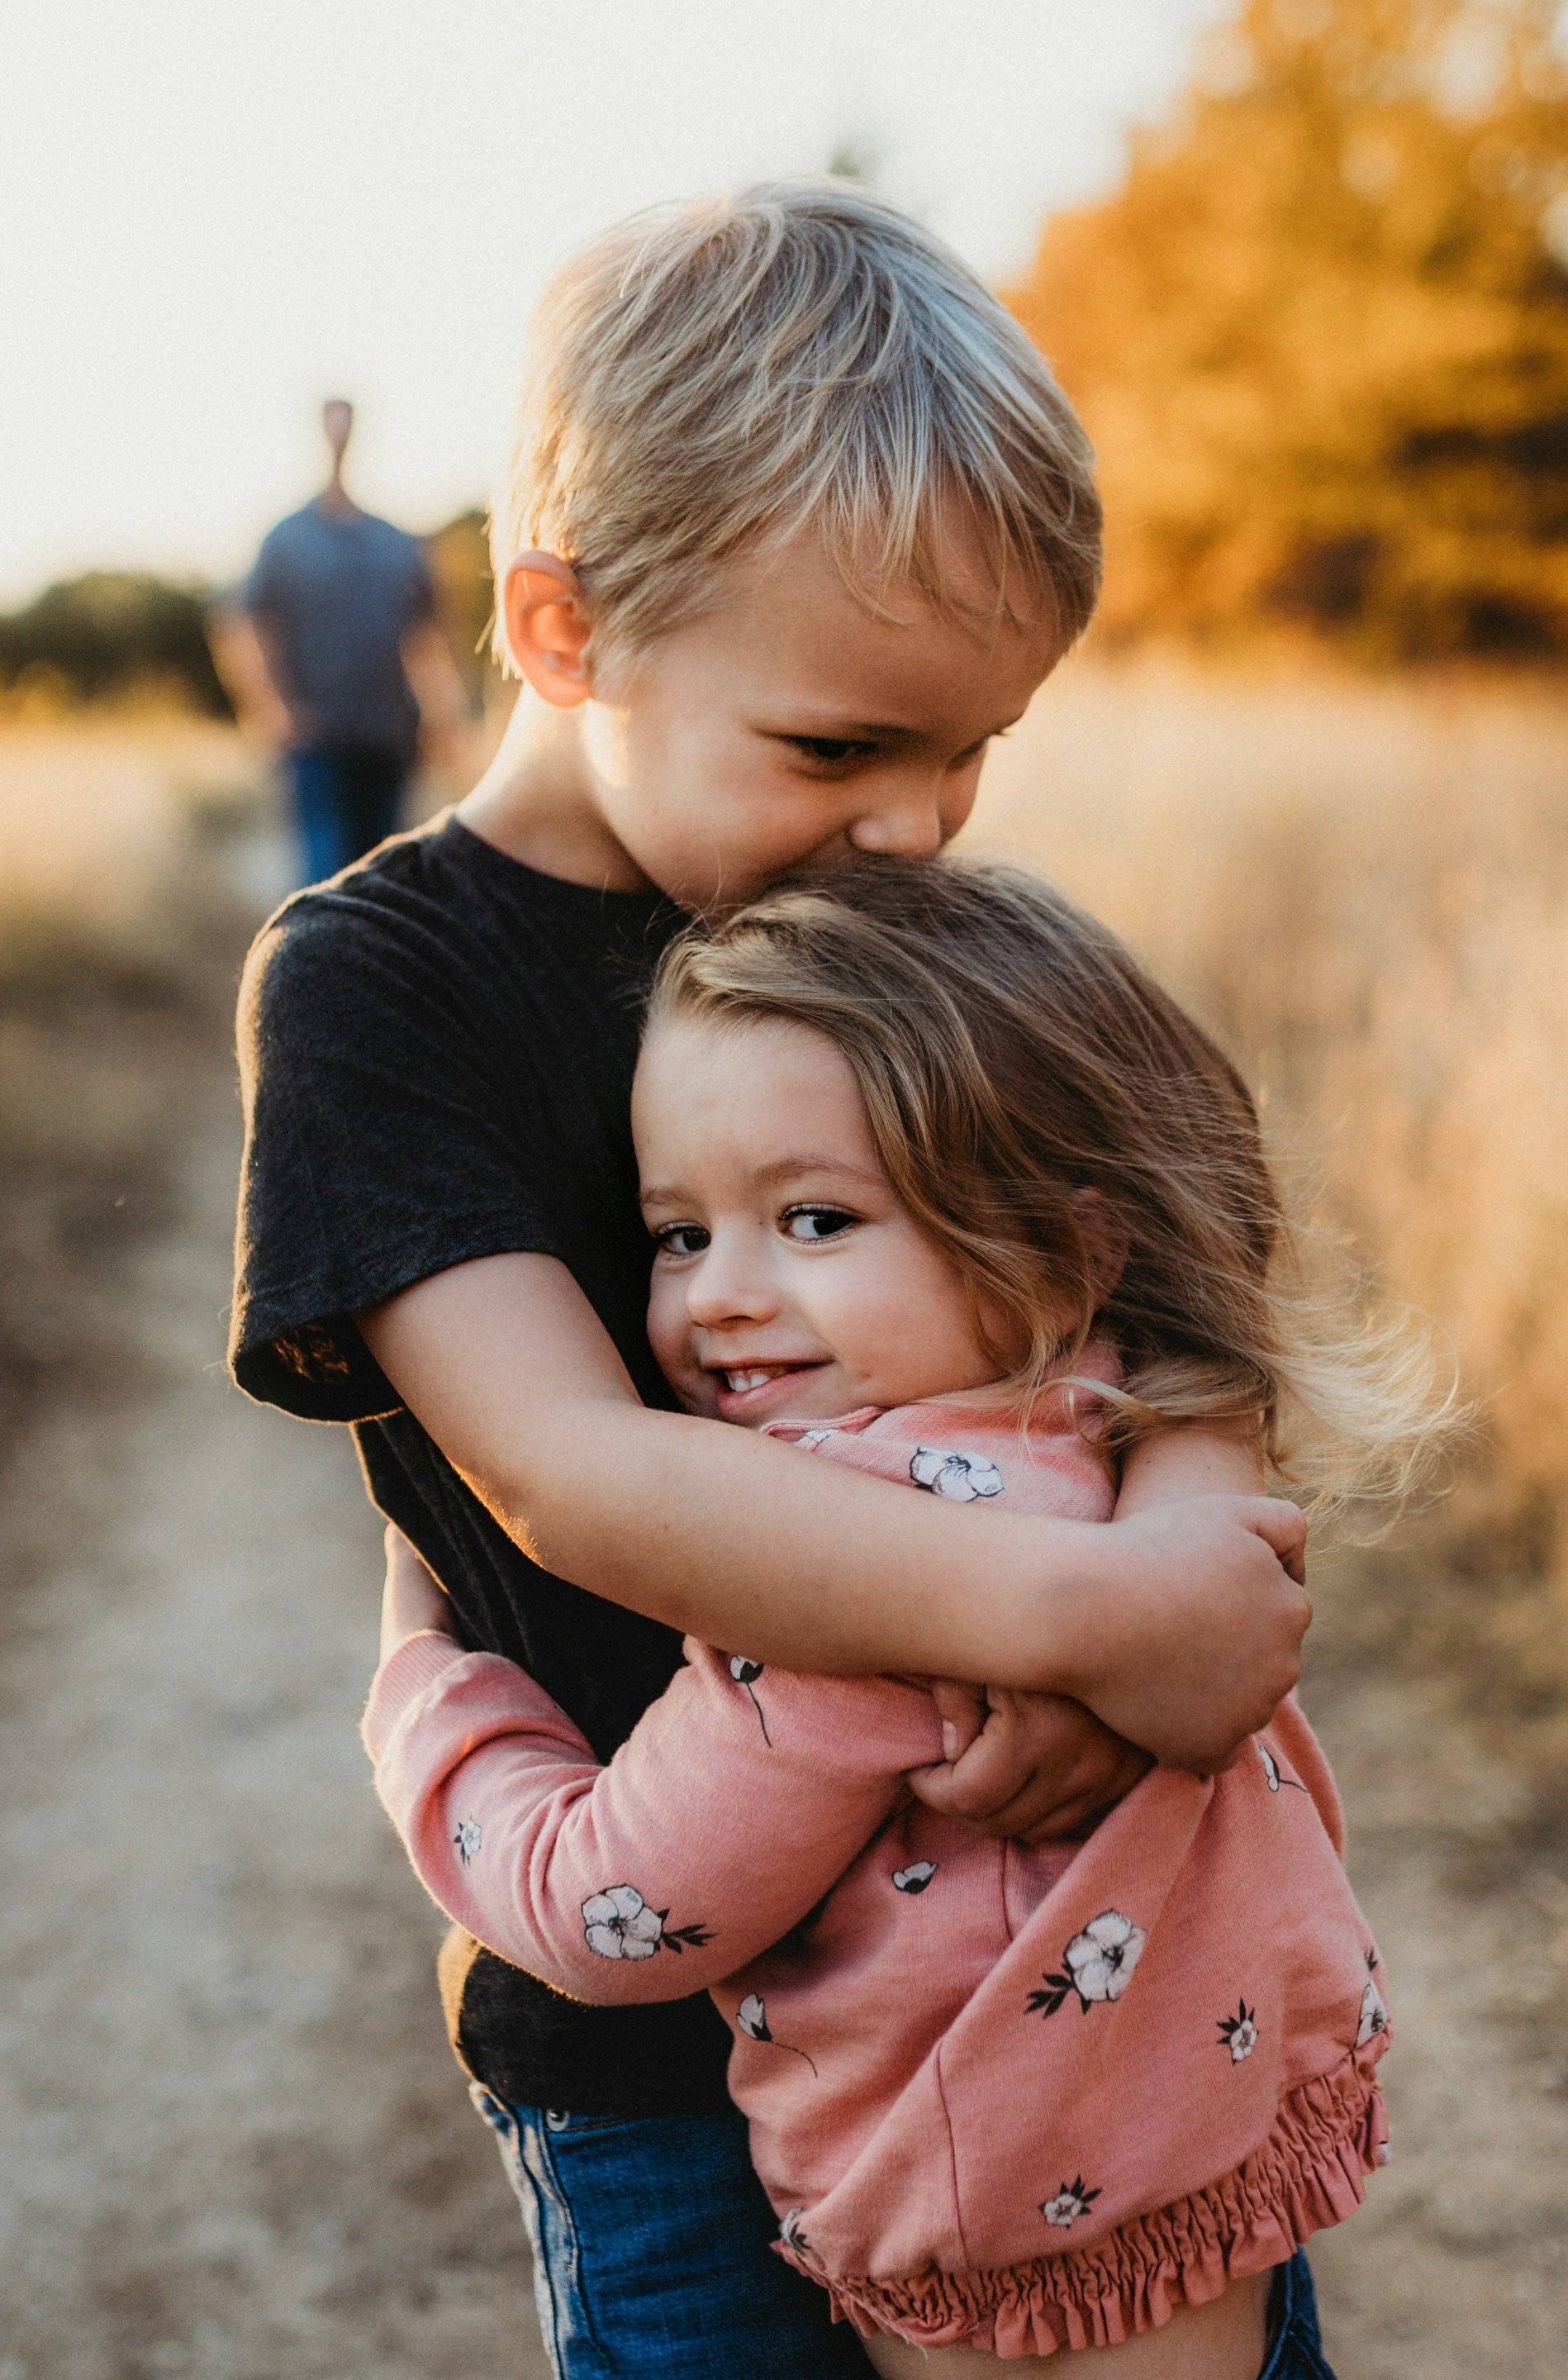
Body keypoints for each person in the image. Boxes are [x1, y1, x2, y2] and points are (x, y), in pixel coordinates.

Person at [230, 183, 1314, 2377]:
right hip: (664, 2046)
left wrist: (1196, 1540)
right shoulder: (383, 987)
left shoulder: (909, 930)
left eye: (973, 747)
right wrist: (1078, 1616)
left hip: (1072, 1969)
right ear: (562, 632)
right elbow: (572, 1474)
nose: (921, 823)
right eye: (841, 749)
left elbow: (1177, 1266)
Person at [363, 860, 1441, 2378]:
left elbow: (605, 1911)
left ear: (1065, 1249)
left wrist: (428, 1692)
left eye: (812, 1219)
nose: (721, 1298)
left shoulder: (841, 1594)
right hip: (1217, 2231)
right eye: (679, 1235)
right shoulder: (1107, 1441)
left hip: (1019, 2317)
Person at [211, 397, 469, 884]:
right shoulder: (286, 540)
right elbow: (243, 624)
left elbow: (428, 638)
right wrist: (271, 709)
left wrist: (445, 718)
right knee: (326, 878)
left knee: (381, 877)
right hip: (316, 741)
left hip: (389, 736)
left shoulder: (395, 543)